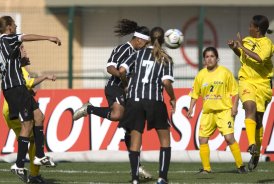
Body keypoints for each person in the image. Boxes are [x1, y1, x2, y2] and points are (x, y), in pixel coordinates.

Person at [73, 19, 152, 179]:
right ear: (138, 40)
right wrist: (123, 78)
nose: (145, 47)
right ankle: (89, 108)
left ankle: (136, 167)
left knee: (132, 130)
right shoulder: (124, 49)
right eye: (145, 43)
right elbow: (109, 67)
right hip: (115, 87)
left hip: (129, 92)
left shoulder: (139, 54)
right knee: (117, 115)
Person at [0, 16, 61, 183]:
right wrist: (49, 37)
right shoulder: (8, 38)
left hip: (15, 88)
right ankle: (19, 165)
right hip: (16, 88)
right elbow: (26, 36)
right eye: (14, 24)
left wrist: (17, 62)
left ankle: (39, 156)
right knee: (27, 124)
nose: (16, 27)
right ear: (9, 27)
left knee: (39, 117)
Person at [119, 26, 176, 184]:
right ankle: (162, 178)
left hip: (134, 100)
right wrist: (172, 97)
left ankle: (135, 179)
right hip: (154, 101)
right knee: (164, 140)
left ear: (149, 39)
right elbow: (166, 82)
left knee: (136, 139)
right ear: (163, 40)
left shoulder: (137, 54)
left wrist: (126, 85)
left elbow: (122, 70)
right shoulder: (165, 58)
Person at [187, 47, 247, 174]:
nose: (209, 59)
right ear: (204, 60)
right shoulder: (201, 75)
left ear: (217, 58)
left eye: (212, 56)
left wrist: (235, 106)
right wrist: (191, 108)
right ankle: (206, 168)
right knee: (202, 139)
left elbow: (235, 91)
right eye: (207, 57)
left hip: (223, 111)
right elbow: (195, 93)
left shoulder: (225, 72)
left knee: (229, 138)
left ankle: (240, 166)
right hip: (208, 113)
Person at [1, 45, 55, 183]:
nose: (26, 51)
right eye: (23, 49)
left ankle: (31, 168)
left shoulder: (17, 67)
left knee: (35, 131)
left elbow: (24, 86)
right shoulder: (17, 66)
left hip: (14, 106)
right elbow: (29, 83)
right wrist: (45, 76)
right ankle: (26, 167)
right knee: (33, 134)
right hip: (15, 106)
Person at [228, 15, 273, 171]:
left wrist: (241, 46)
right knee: (249, 107)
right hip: (246, 80)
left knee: (259, 121)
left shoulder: (267, 44)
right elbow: (243, 56)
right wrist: (235, 47)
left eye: (251, 26)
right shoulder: (246, 41)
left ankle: (256, 154)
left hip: (262, 84)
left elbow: (259, 59)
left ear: (258, 29)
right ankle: (252, 144)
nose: (249, 28)